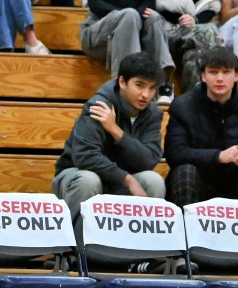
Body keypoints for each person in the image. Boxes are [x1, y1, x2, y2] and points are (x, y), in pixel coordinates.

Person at [163, 46, 238, 208]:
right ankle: (185, 232)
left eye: (226, 72)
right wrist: (219, 156)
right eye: (213, 72)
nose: (220, 78)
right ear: (203, 76)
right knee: (184, 172)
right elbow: (175, 154)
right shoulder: (182, 106)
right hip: (202, 181)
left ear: (236, 75)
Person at [52, 52, 166, 215]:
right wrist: (127, 179)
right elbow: (85, 156)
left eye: (152, 88)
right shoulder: (99, 105)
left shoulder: (152, 113)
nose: (146, 95)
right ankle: (76, 240)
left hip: (118, 182)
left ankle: (141, 240)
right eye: (139, 85)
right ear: (122, 82)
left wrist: (115, 131)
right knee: (88, 181)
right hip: (77, 175)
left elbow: (148, 160)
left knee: (153, 181)